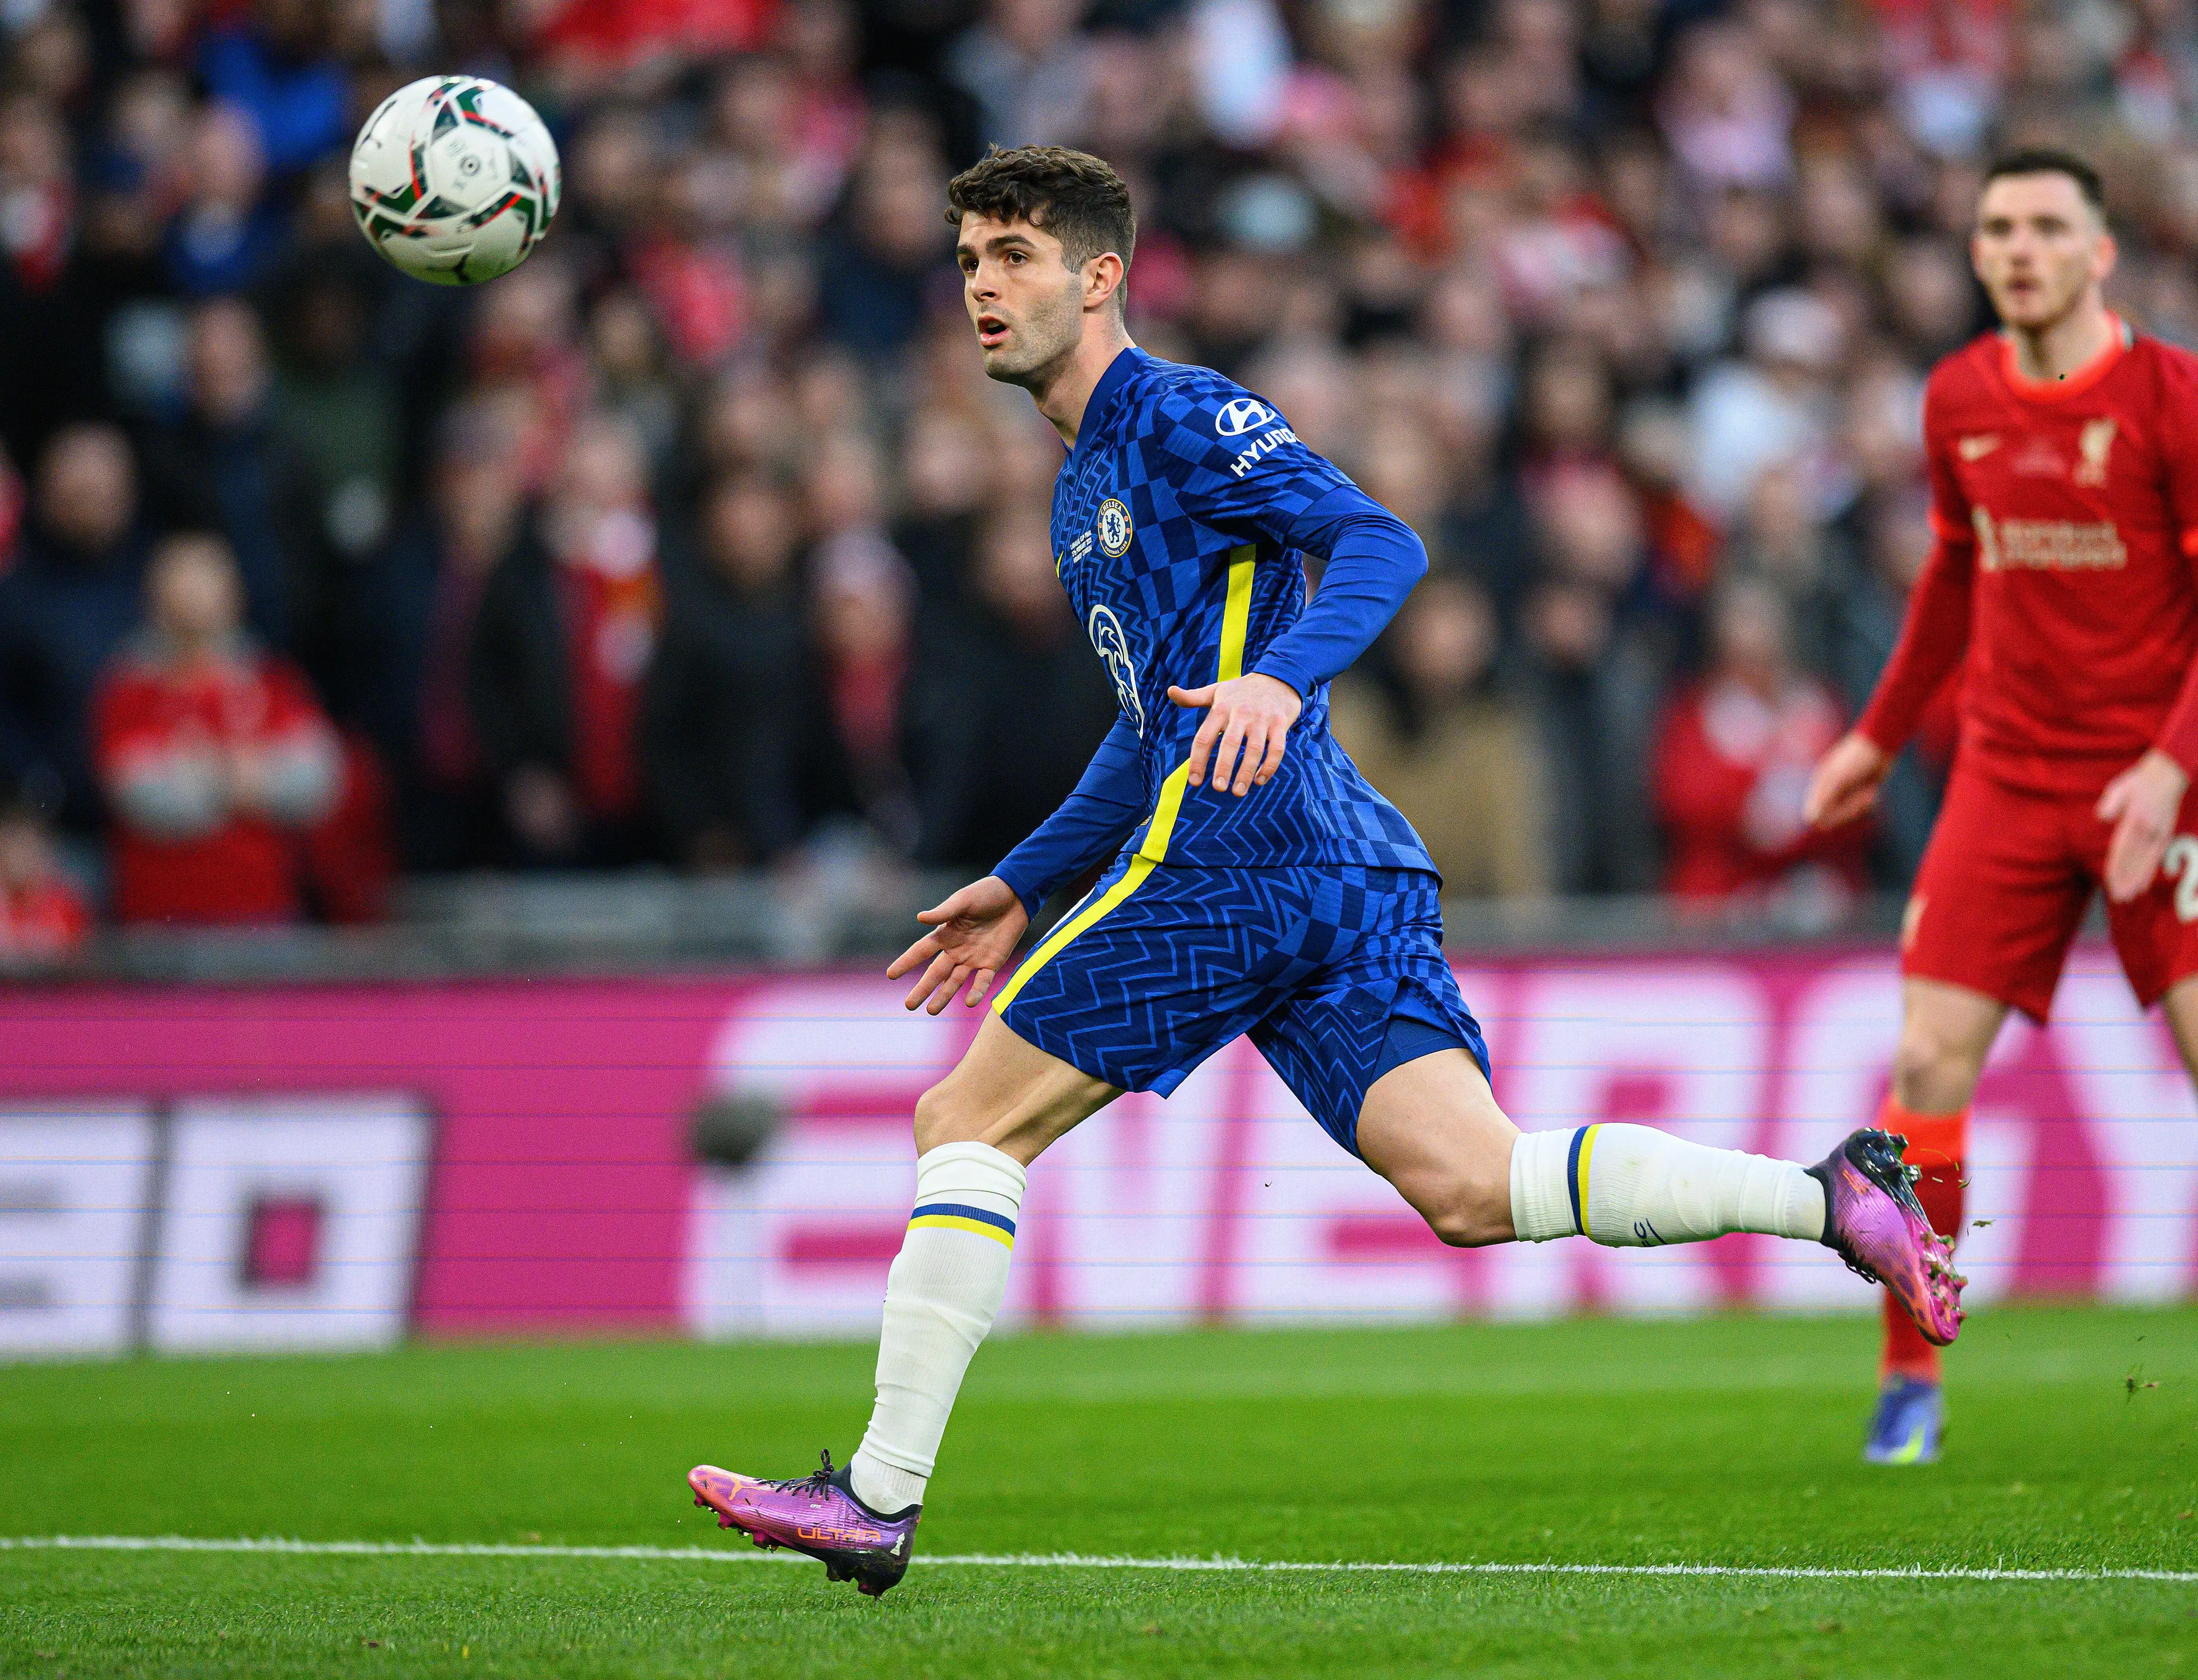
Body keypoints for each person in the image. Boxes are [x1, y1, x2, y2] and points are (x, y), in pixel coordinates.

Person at [687, 145, 1961, 1595]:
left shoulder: (1176, 413)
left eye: (1016, 256)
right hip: (1334, 861)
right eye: (971, 258)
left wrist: (1281, 679)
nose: (983, 283)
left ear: (1100, 278)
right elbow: (1146, 724)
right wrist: (1028, 879)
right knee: (1475, 1183)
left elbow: (1378, 540)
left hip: (1236, 847)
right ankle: (1830, 1196)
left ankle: (876, 1494)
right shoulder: (1079, 487)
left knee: (965, 1120)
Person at [1804, 148, 2198, 1466]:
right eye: (1998, 229)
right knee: (1922, 1068)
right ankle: (1909, 1377)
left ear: (2100, 252)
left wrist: (2170, 768)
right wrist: (1875, 737)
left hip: (2161, 777)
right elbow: (1953, 577)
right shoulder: (1959, 395)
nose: (2020, 248)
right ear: (1975, 253)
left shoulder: (2172, 400)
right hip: (2010, 778)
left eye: (2046, 227)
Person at [92, 532, 341, 924]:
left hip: (265, 910)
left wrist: (198, 769)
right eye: (180, 582)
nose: (193, 596)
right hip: (159, 917)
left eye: (206, 580)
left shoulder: (273, 681)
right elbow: (143, 797)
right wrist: (245, 775)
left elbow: (317, 783)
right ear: (152, 597)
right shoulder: (129, 689)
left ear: (235, 594)